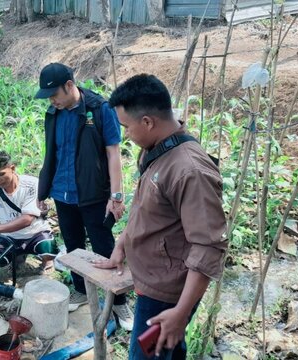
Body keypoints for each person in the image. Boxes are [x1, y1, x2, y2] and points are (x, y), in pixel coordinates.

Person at [94, 74, 228, 359]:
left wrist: (180, 312)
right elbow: (144, 208)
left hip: (167, 293)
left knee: (148, 353)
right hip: (151, 279)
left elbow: (209, 247)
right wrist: (121, 246)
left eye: (127, 128)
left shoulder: (189, 170)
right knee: (168, 349)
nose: (126, 135)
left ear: (147, 122)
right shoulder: (155, 150)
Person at [35, 63, 134, 331]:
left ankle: (119, 301)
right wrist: (43, 191)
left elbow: (113, 153)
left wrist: (116, 196)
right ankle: (80, 289)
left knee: (104, 248)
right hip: (62, 194)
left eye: (54, 94)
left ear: (69, 85)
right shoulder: (54, 113)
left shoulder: (99, 109)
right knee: (74, 245)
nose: (52, 101)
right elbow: (51, 153)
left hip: (93, 194)